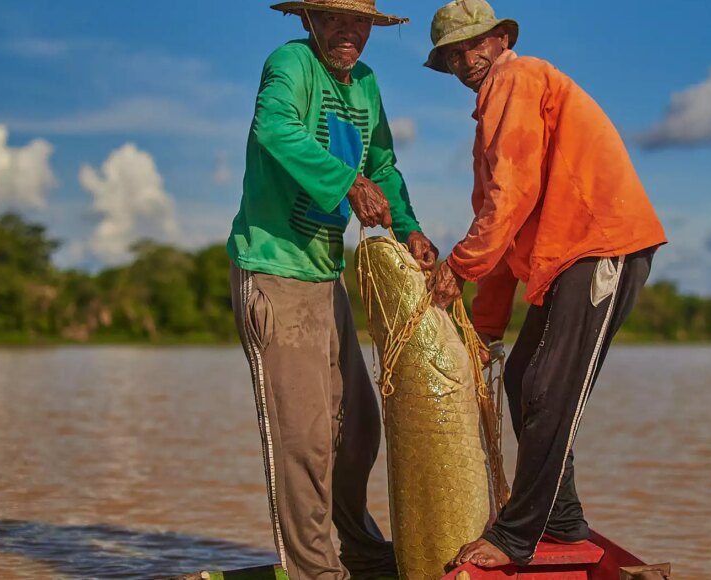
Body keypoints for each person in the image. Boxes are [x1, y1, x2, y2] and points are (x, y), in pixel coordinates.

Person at [422, 0, 668, 569]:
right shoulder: (490, 121)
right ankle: (560, 517)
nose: (467, 59)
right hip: (563, 262)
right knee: (520, 374)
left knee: (548, 387)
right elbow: (504, 241)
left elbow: (512, 199)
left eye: (474, 44)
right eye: (454, 55)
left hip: (601, 245)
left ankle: (516, 533)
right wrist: (482, 332)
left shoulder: (518, 77)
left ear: (499, 40)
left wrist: (455, 267)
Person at [226, 1, 438, 578]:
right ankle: (315, 570)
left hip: (325, 275)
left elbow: (384, 164)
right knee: (305, 440)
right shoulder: (291, 64)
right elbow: (274, 127)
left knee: (357, 428)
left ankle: (360, 551)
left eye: (360, 21)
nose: (349, 32)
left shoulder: (365, 84)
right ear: (308, 22)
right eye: (334, 18)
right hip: (274, 270)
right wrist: (347, 181)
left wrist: (410, 227)